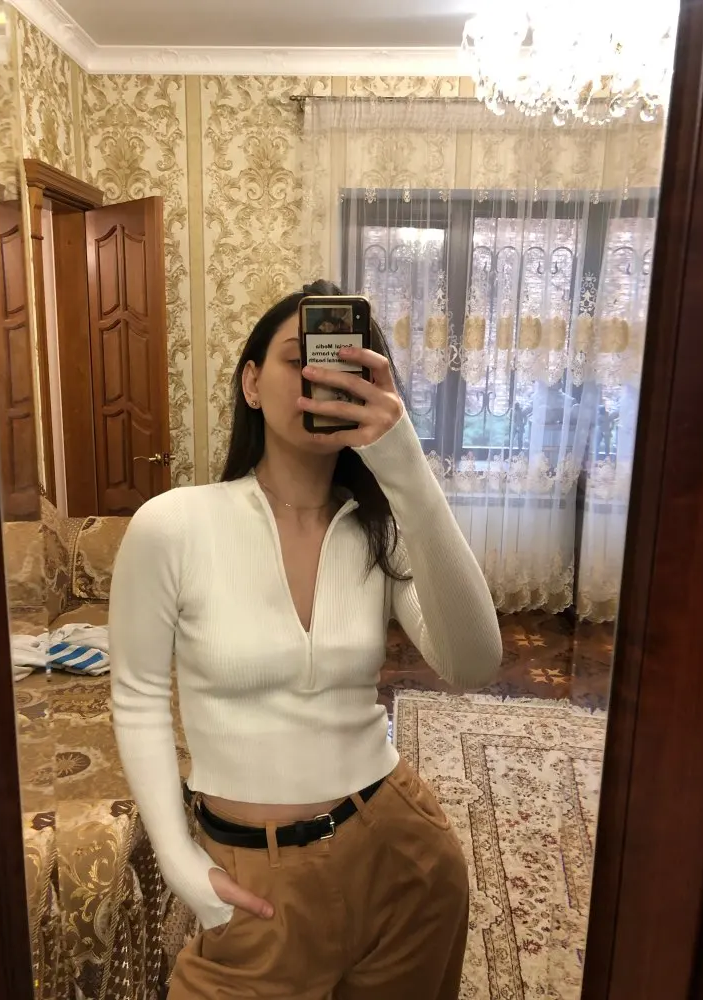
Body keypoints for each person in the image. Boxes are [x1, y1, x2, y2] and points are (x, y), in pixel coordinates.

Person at [110, 280, 502, 999]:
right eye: (301, 359)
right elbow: (135, 696)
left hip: (400, 853)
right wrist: (177, 859)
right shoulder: (173, 525)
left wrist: (406, 465)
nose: (322, 378)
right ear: (251, 384)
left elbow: (474, 662)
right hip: (255, 880)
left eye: (346, 365)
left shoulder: (381, 531)